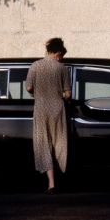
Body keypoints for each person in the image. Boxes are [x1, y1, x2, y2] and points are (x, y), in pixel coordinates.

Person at [26, 37, 71, 194]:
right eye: (61, 56)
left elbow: (29, 87)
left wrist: (39, 92)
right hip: (58, 109)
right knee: (60, 142)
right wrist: (62, 95)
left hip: (41, 109)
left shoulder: (35, 66)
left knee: (43, 143)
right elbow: (68, 93)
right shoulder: (62, 68)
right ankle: (63, 175)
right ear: (58, 53)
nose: (61, 58)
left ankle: (51, 184)